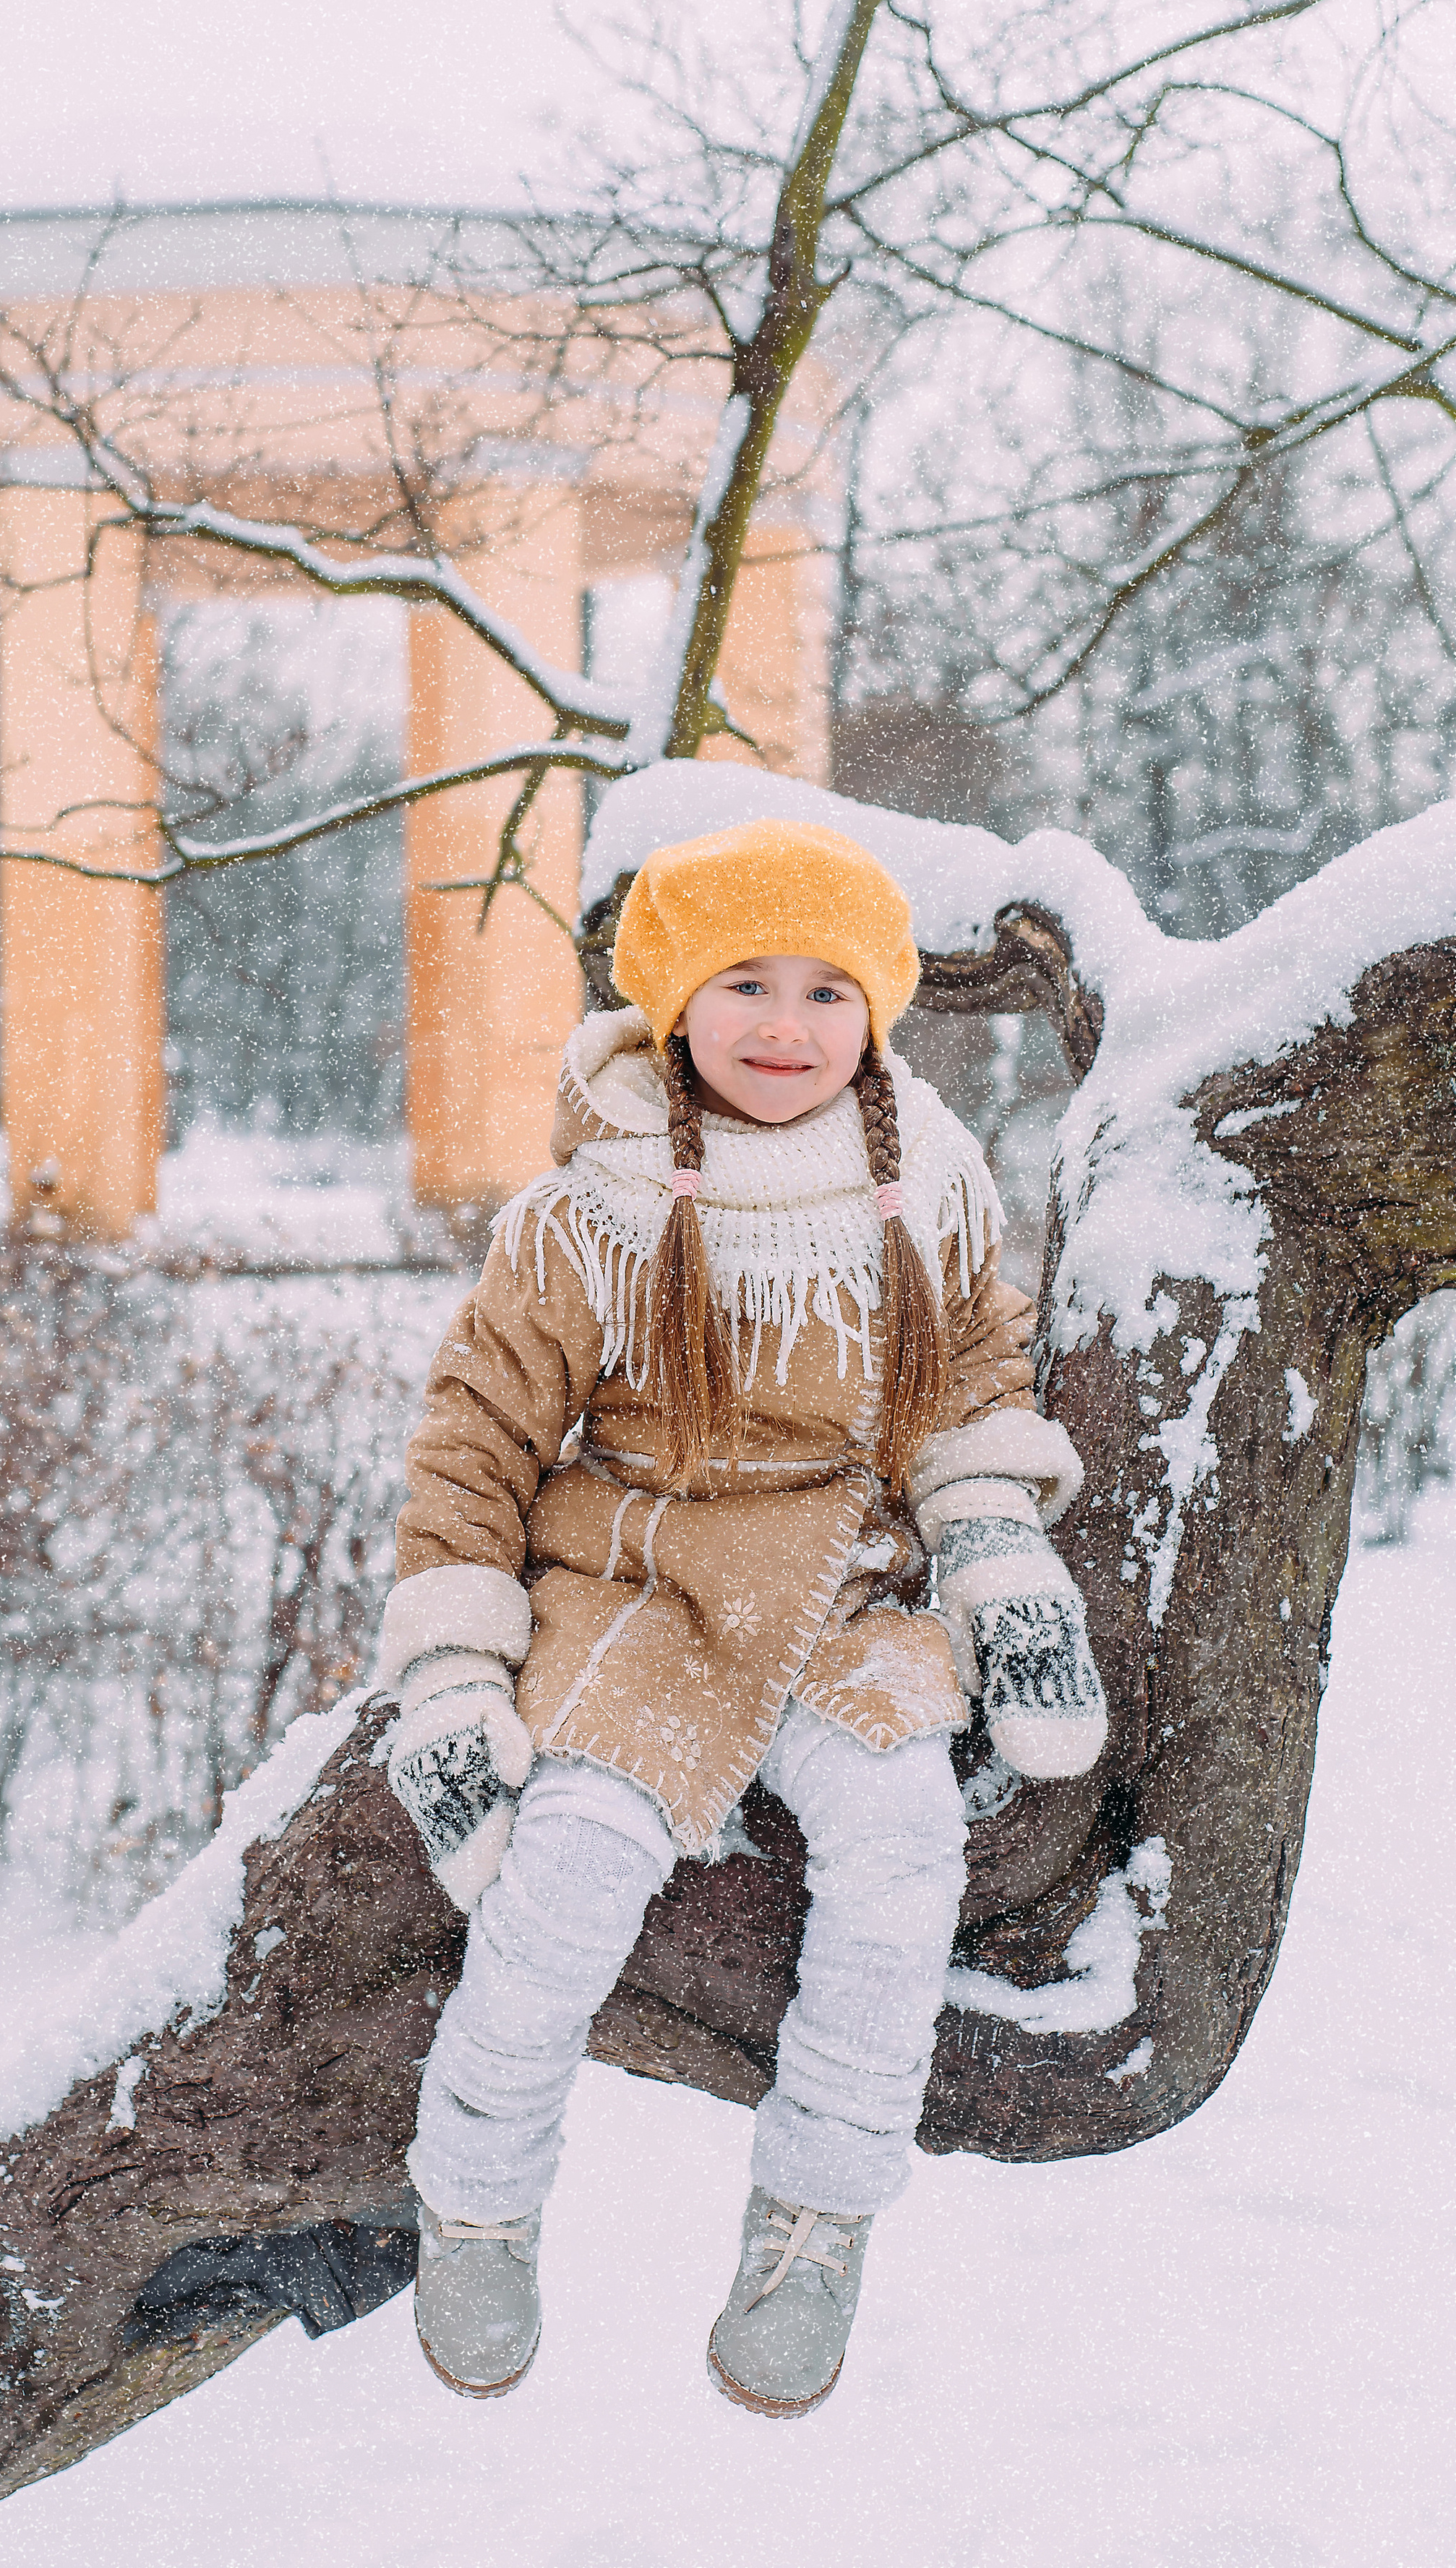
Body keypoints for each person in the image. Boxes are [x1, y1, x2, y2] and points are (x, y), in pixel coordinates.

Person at [377, 818, 1105, 2417]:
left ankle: (817, 2214)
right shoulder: (591, 1210)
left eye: (827, 991)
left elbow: (972, 1381)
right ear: (673, 1003)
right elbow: (477, 1437)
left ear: (879, 1011)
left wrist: (995, 1550)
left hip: (849, 1593)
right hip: (644, 1589)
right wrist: (450, 1672)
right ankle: (478, 2193)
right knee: (563, 1873)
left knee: (904, 1853)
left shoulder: (928, 1184)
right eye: (744, 985)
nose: (787, 1026)